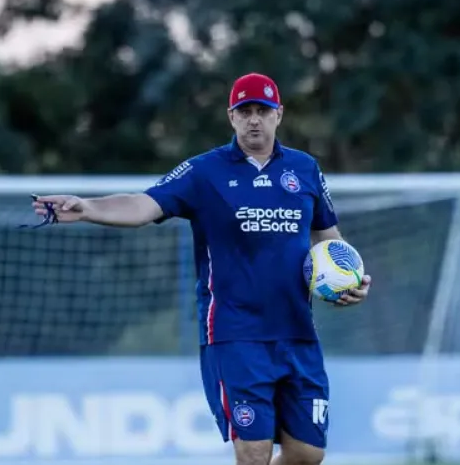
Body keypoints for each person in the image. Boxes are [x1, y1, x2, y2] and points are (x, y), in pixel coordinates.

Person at [31, 72, 371, 465]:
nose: (254, 119)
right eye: (245, 111)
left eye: (263, 110)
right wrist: (88, 208)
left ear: (279, 115)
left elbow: (329, 240)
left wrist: (353, 280)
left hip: (296, 332)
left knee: (308, 453)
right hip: (234, 332)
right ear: (231, 117)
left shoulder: (305, 169)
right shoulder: (204, 172)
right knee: (254, 451)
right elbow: (144, 205)